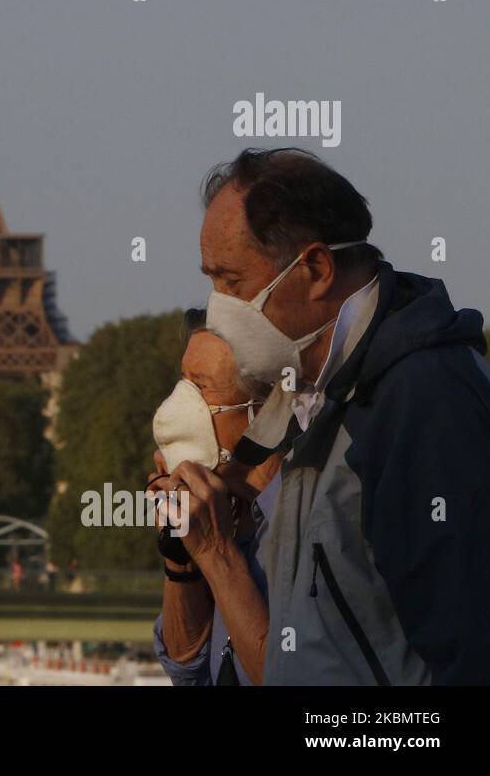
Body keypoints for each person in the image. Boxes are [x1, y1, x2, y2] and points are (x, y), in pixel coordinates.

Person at [191, 147, 490, 684]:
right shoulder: (318, 395)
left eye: (231, 282)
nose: (218, 309)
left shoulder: (422, 398)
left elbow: (467, 652)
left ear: (316, 268)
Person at [149, 310, 278, 684]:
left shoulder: (307, 519)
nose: (177, 405)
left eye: (201, 387)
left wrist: (215, 552)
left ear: (261, 410)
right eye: (182, 383)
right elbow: (186, 668)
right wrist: (180, 552)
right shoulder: (222, 511)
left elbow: (281, 674)